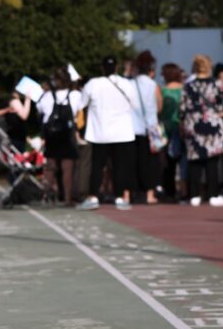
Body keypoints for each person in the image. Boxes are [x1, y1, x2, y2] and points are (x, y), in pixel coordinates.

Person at [76, 55, 139, 211]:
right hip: (122, 132)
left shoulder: (93, 84)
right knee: (120, 166)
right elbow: (134, 104)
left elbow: (80, 105)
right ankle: (119, 197)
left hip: (100, 132)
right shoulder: (126, 84)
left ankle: (93, 197)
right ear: (116, 67)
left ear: (102, 68)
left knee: (97, 166)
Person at [180, 55, 223, 206]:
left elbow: (182, 108)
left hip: (193, 124)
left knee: (194, 160)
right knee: (212, 161)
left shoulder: (188, 85)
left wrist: (183, 123)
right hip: (212, 123)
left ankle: (194, 194)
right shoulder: (217, 84)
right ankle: (213, 194)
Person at [38, 67, 82, 206]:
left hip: (51, 134)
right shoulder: (75, 95)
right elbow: (80, 111)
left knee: (50, 167)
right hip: (67, 135)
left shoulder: (47, 96)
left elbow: (40, 111)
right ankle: (68, 198)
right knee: (67, 168)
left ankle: (46, 195)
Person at [129, 51, 163, 205]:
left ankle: (133, 192)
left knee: (133, 162)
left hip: (133, 127)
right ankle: (150, 193)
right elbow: (159, 105)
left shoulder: (130, 84)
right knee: (150, 162)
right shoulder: (153, 85)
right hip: (150, 128)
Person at [159, 63, 185, 200]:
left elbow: (159, 109)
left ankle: (169, 190)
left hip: (166, 128)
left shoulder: (162, 91)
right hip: (181, 127)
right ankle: (185, 188)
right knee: (183, 160)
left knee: (168, 162)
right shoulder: (184, 90)